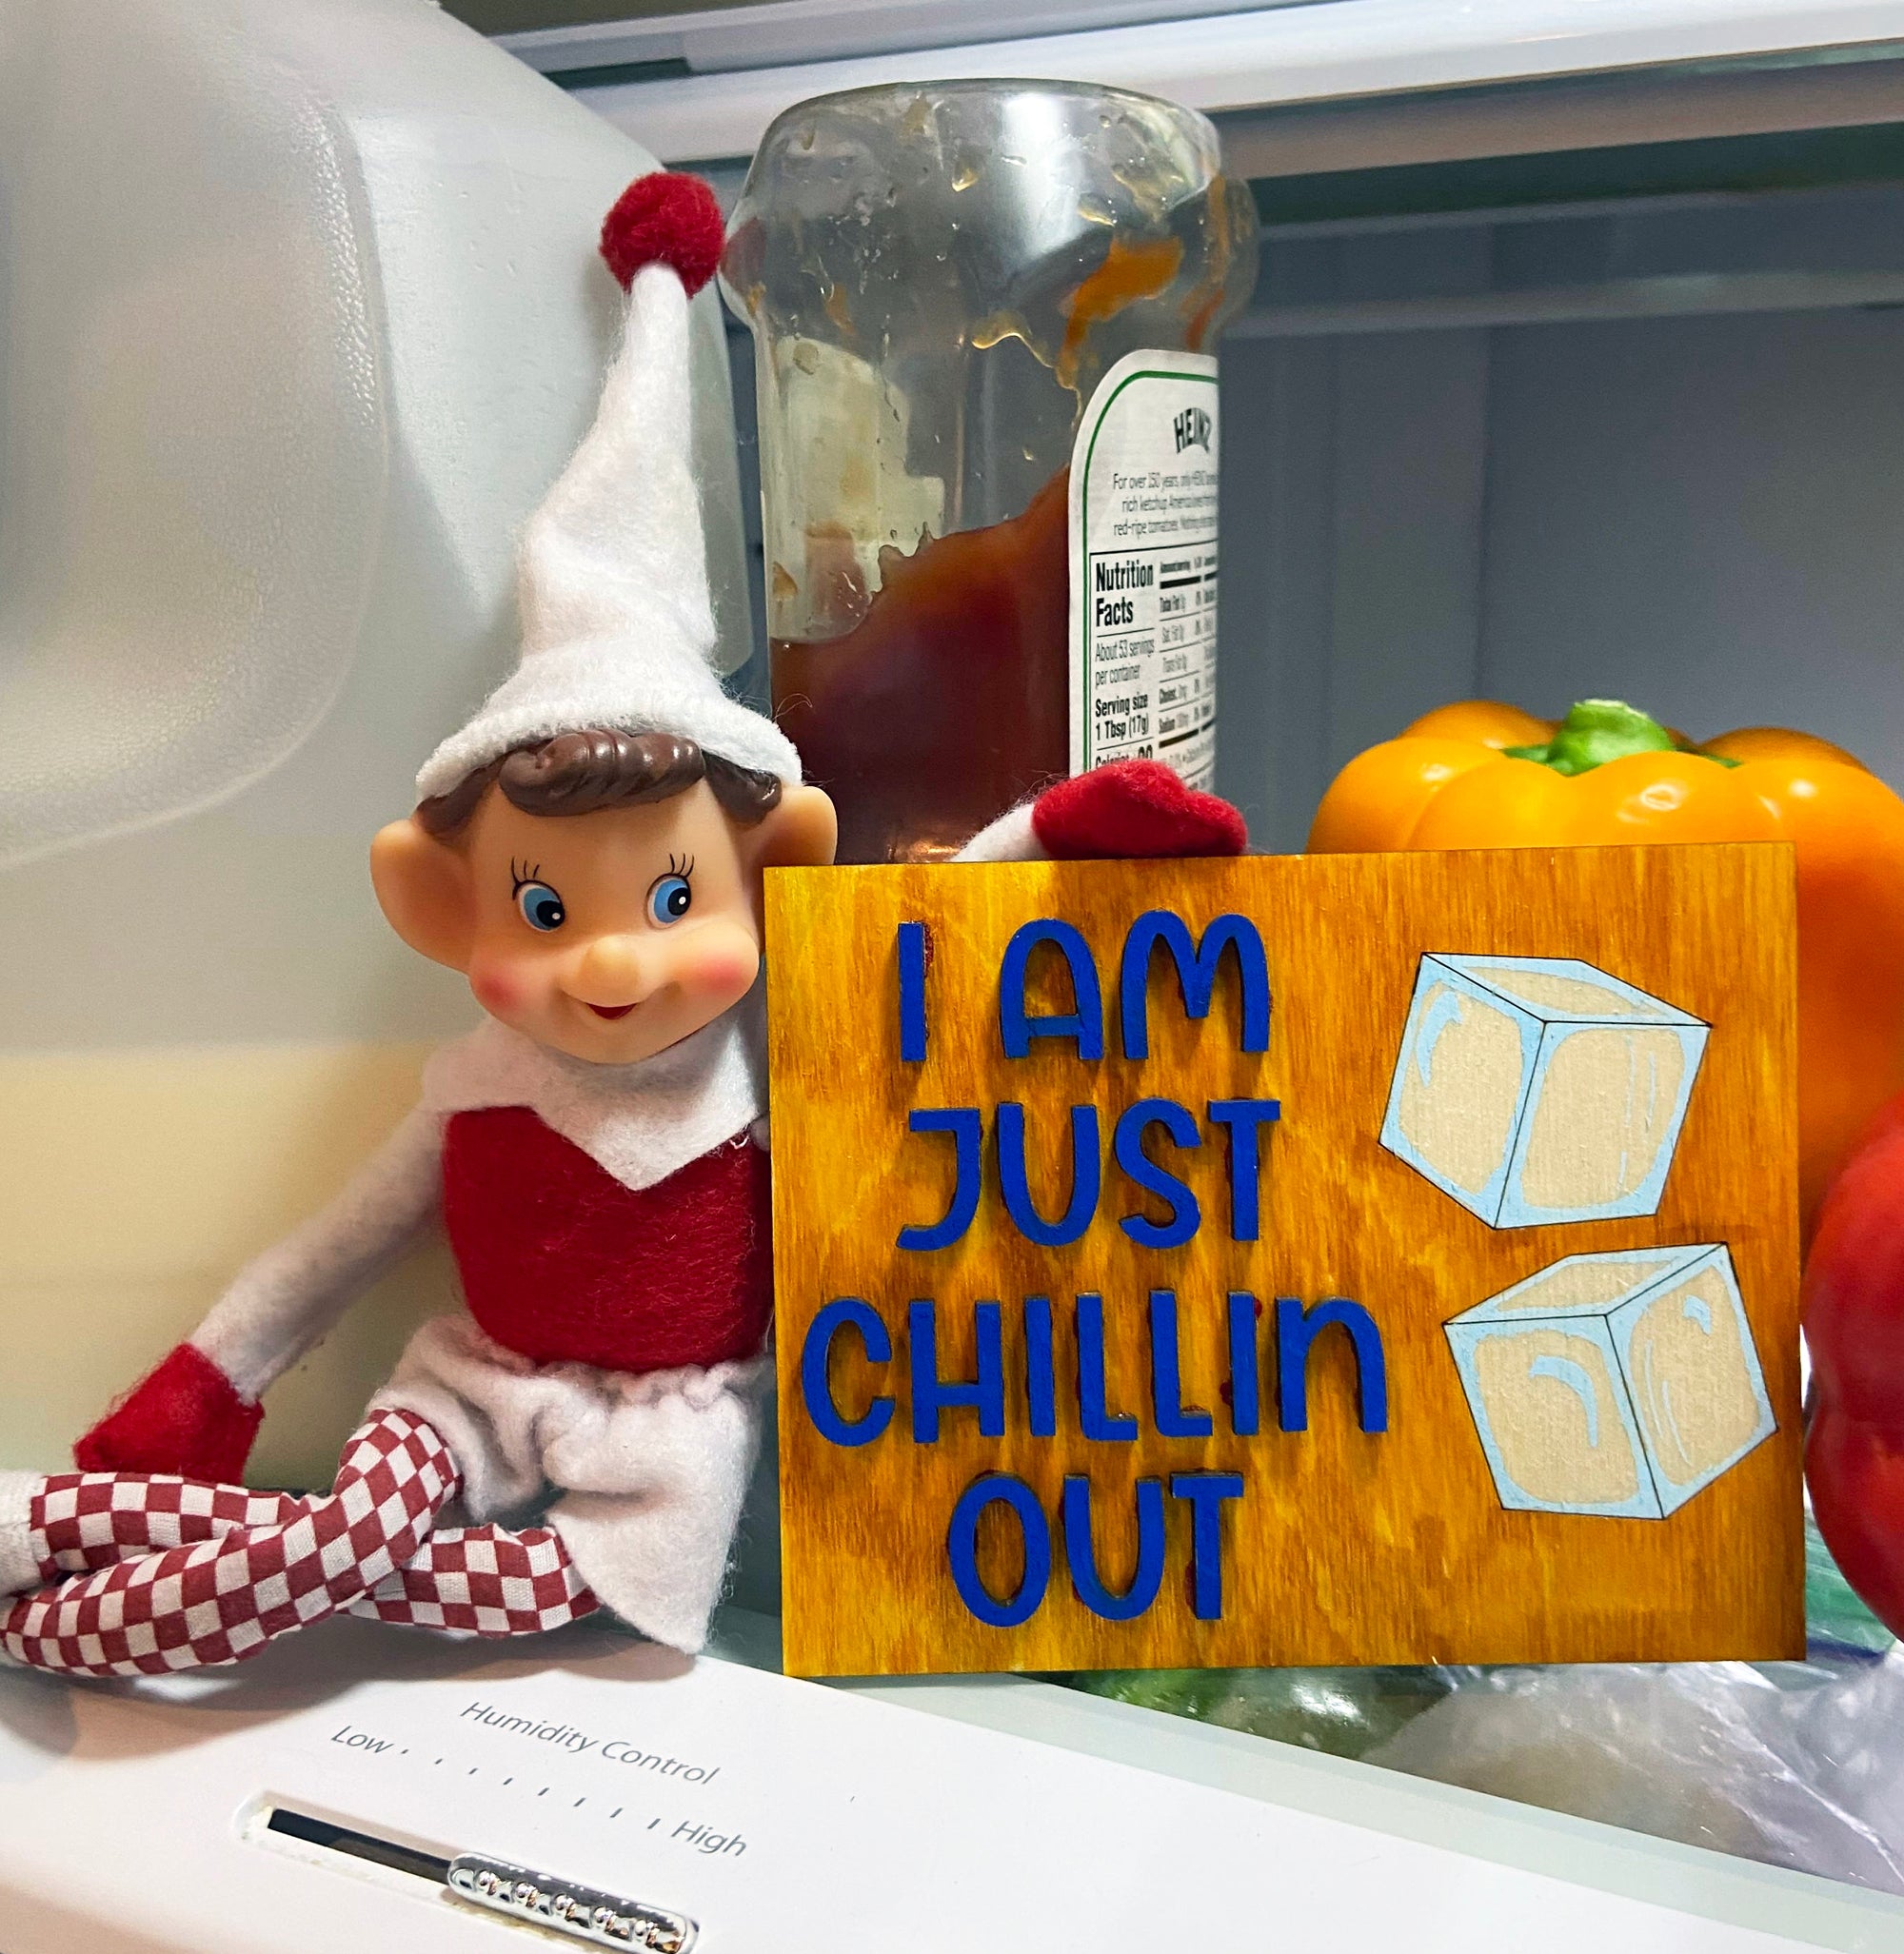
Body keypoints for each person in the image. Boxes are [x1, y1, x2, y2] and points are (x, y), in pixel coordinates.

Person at [0, 174, 1245, 1679]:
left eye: (672, 898)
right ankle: (69, 1552)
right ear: (443, 902)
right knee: (337, 1535)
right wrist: (214, 1383)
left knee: (455, 1587)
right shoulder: (474, 1085)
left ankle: (79, 1568)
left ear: (768, 868)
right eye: (543, 905)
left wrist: (1053, 835)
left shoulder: (768, 1069)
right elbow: (335, 1249)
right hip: (461, 1387)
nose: (610, 957)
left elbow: (918, 950)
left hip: (678, 1436)